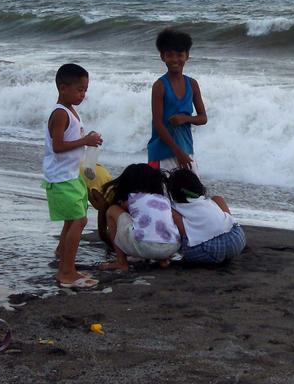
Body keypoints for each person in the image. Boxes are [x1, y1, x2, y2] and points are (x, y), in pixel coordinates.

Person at [43, 63, 102, 289]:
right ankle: (66, 271)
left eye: (85, 90)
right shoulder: (60, 113)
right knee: (79, 220)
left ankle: (62, 253)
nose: (83, 94)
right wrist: (84, 141)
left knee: (75, 218)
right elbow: (58, 146)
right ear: (63, 87)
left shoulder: (70, 111)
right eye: (79, 90)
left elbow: (71, 138)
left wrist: (89, 138)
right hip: (60, 178)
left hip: (71, 174)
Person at [98, 164, 182, 271]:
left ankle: (121, 262)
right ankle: (163, 260)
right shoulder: (164, 200)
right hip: (172, 247)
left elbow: (123, 212)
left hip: (143, 246)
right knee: (160, 220)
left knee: (113, 210)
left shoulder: (132, 197)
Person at [147, 29, 207, 173]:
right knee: (162, 195)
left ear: (187, 56)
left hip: (186, 150)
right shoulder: (160, 86)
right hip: (161, 153)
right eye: (170, 55)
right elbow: (158, 123)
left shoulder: (192, 84)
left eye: (180, 55)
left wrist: (185, 118)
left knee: (193, 194)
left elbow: (203, 118)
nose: (175, 60)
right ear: (162, 57)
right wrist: (177, 152)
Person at [167, 169, 246, 264]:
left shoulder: (173, 208)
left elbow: (184, 233)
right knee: (218, 198)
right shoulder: (207, 201)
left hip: (208, 251)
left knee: (185, 233)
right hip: (237, 239)